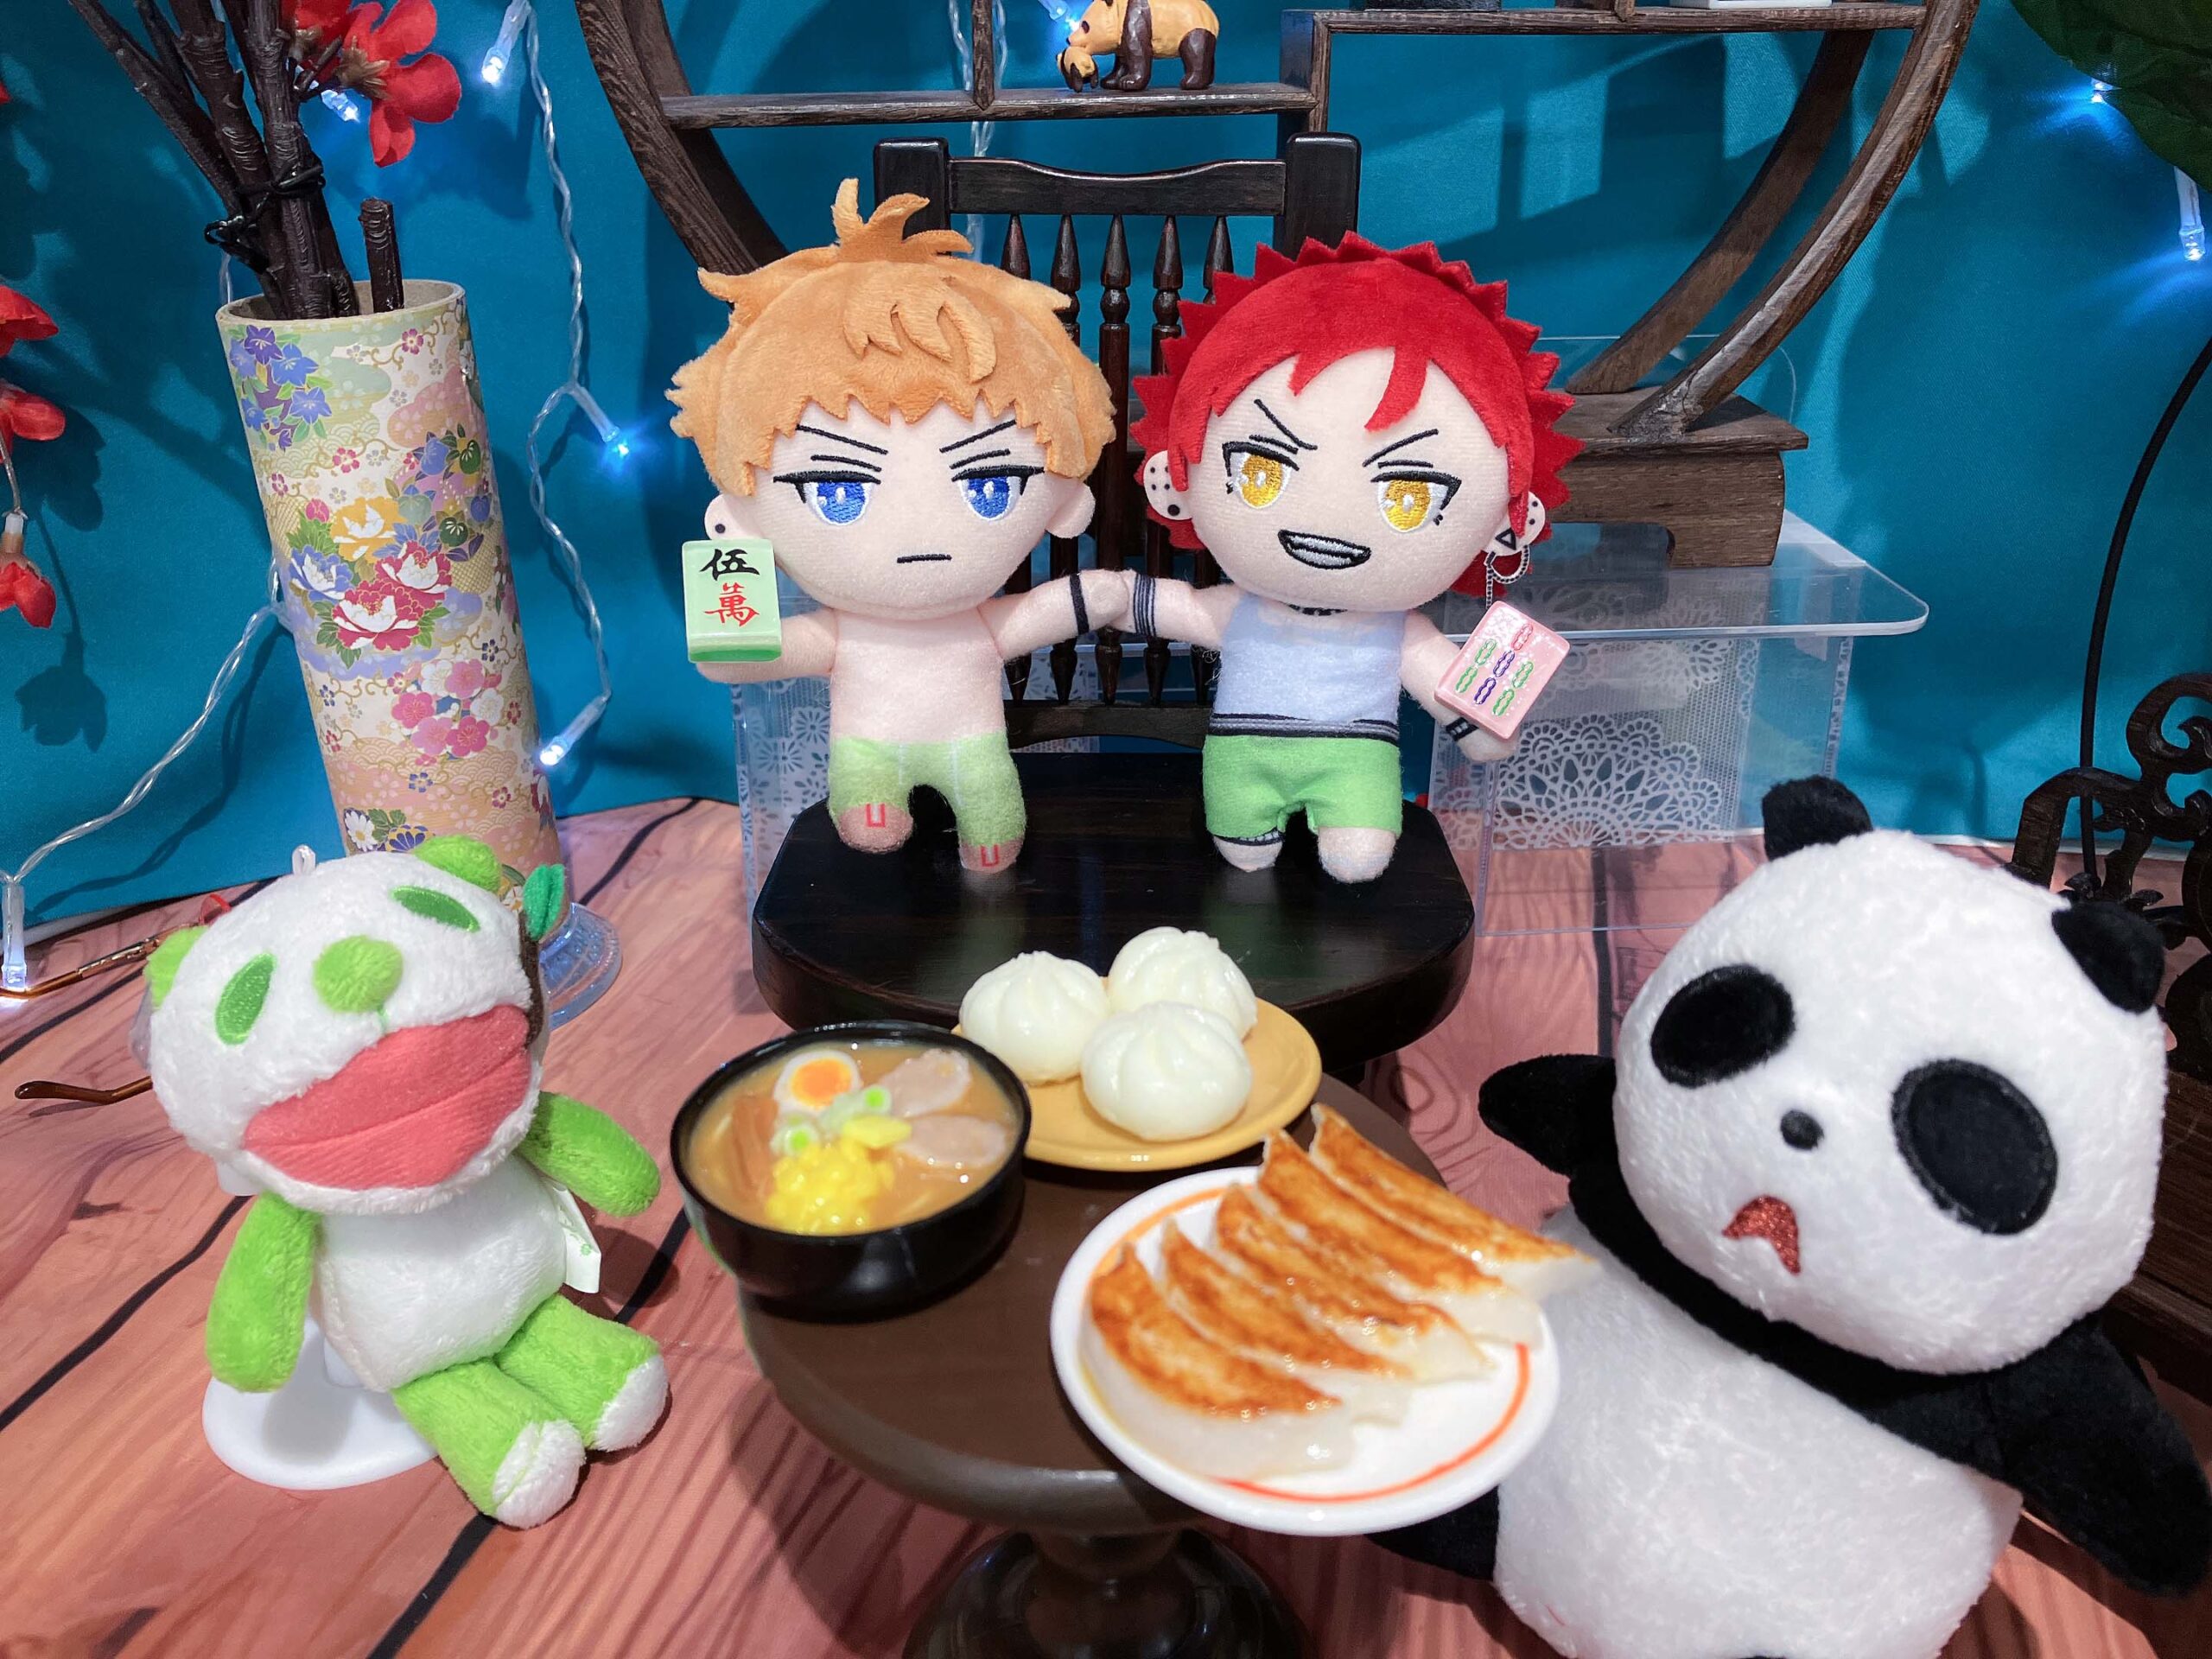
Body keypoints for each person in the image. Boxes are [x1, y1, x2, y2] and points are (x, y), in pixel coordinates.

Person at [671, 181, 1125, 874]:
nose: (918, 532)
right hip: (869, 751)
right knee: (874, 825)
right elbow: (742, 656)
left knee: (991, 819)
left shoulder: (966, 624)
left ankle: (982, 831)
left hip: (976, 747)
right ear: (739, 517)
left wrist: (1098, 597)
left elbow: (1046, 612)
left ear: (1063, 502)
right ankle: (882, 806)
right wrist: (729, 641)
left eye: (990, 486)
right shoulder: (848, 634)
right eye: (837, 493)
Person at [1130, 235, 1580, 882]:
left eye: (1408, 496)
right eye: (1260, 470)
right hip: (1240, 764)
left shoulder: (1396, 630)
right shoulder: (1240, 609)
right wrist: (1105, 599)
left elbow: (1448, 686)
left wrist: (1481, 723)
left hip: (1358, 764)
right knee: (1242, 845)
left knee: (1360, 857)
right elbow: (1165, 606)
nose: (1323, 521)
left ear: (1503, 522)